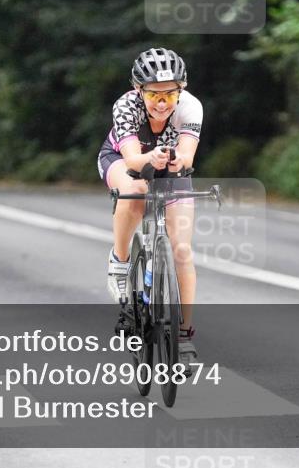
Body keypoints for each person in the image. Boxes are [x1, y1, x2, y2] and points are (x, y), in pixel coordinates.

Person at [97, 48, 202, 366]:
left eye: (169, 94)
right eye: (154, 94)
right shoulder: (126, 106)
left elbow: (187, 156)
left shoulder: (191, 107)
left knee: (182, 250)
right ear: (138, 90)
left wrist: (177, 160)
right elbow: (132, 160)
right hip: (121, 159)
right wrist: (149, 158)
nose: (161, 103)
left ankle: (183, 334)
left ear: (181, 90)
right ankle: (120, 260)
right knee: (136, 190)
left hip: (169, 167)